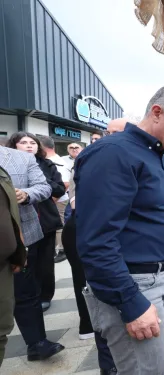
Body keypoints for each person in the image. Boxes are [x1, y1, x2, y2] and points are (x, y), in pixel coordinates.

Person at [75, 85, 164, 374]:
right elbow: (97, 241)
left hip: (160, 278)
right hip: (134, 286)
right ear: (157, 113)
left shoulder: (162, 158)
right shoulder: (113, 155)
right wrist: (130, 302)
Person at [0, 145, 64, 361]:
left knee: (26, 292)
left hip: (21, 238)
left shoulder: (22, 159)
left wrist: (26, 194)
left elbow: (44, 188)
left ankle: (37, 343)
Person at [63, 167, 117, 374]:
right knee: (84, 282)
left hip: (107, 234)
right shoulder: (87, 168)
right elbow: (76, 202)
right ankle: (89, 324)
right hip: (82, 230)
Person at [7, 133, 65, 311]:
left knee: (45, 263)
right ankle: (24, 297)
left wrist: (39, 182)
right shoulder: (8, 165)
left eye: (32, 142)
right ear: (14, 146)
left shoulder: (46, 165)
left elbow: (59, 189)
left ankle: (45, 295)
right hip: (20, 223)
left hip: (45, 220)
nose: (28, 145)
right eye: (23, 142)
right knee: (24, 263)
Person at [0, 165, 27, 367]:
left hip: (4, 266)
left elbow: (9, 214)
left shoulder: (1, 172)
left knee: (1, 330)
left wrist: (18, 250)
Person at [39, 136, 72, 264]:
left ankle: (62, 250)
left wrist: (51, 200)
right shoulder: (47, 160)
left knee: (58, 225)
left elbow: (65, 183)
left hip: (58, 200)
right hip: (52, 199)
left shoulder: (55, 161)